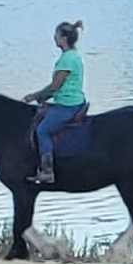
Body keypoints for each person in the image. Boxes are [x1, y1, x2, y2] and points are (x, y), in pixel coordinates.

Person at [26, 18, 87, 184]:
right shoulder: (73, 56)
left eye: (56, 35)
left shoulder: (66, 59)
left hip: (68, 105)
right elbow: (58, 87)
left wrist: (35, 96)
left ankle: (47, 171)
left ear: (63, 38)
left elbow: (55, 86)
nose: (54, 38)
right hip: (72, 100)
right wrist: (44, 98)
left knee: (42, 131)